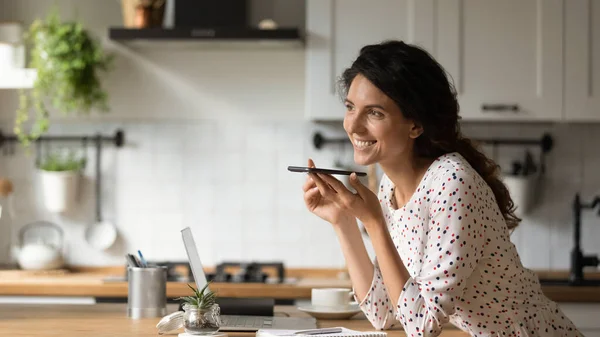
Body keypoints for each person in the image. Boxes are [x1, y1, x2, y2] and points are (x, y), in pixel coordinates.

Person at [301, 40, 581, 337]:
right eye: (350, 107)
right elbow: (383, 313)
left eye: (375, 113)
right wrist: (343, 221)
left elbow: (421, 326)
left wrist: (374, 222)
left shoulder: (452, 184)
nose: (353, 125)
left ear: (415, 125)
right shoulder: (390, 187)